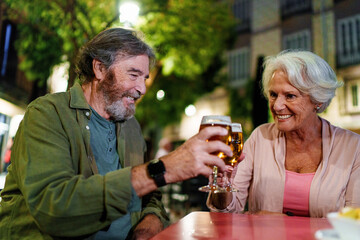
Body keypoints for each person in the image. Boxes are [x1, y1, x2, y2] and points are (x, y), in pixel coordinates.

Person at [0, 27, 232, 239]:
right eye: (133, 74)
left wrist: (150, 223)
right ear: (99, 68)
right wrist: (165, 168)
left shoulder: (131, 127)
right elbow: (55, 209)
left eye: (145, 78)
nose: (142, 88)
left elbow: (150, 197)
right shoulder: (47, 114)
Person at [207, 50, 360, 218]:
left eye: (290, 96)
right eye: (273, 95)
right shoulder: (260, 137)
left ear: (318, 100)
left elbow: (354, 220)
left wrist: (277, 220)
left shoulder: (352, 147)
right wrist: (223, 187)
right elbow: (228, 210)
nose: (277, 106)